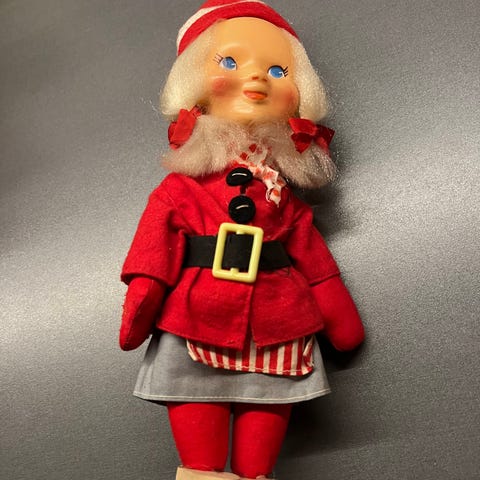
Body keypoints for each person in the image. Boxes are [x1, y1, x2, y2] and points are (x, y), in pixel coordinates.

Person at [119, 2, 365, 479]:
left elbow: (314, 260)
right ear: (194, 83)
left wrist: (339, 316)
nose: (256, 79)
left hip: (279, 325)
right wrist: (143, 299)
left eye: (278, 71)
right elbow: (153, 250)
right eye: (229, 62)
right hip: (194, 321)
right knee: (201, 463)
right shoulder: (180, 188)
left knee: (258, 466)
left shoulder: (284, 196)